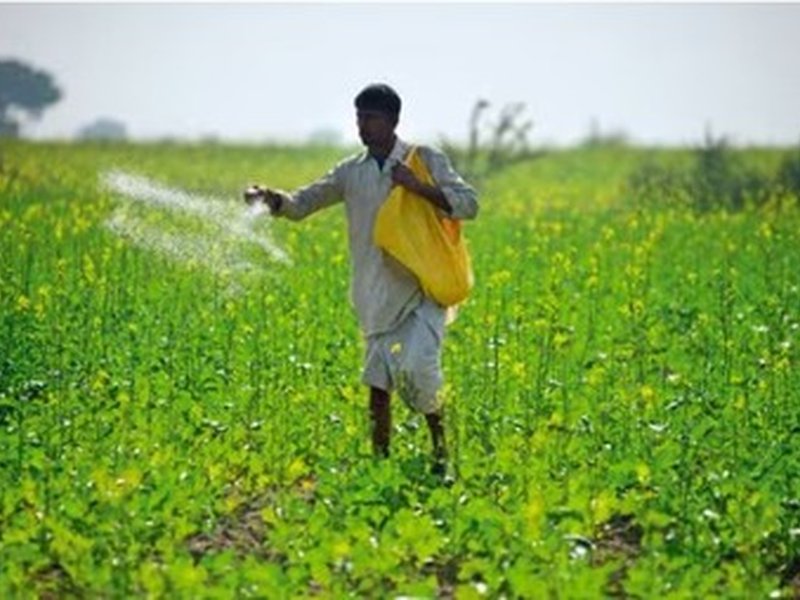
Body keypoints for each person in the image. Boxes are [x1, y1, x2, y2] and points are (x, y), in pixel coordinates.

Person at [244, 83, 478, 475]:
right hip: (374, 294)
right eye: (359, 117)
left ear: (393, 121)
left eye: (371, 118)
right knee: (378, 386)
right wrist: (270, 198)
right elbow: (303, 203)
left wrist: (417, 187)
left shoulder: (424, 160)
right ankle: (379, 467)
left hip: (421, 293)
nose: (362, 126)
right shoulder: (351, 172)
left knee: (420, 372)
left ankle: (442, 457)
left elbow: (468, 204)